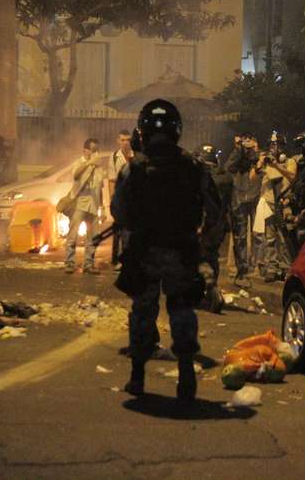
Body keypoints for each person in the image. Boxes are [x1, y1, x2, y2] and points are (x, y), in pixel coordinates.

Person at [112, 99, 221, 401]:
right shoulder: (194, 167)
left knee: (142, 313)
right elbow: (214, 212)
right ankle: (186, 376)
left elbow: (118, 211)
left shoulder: (134, 169)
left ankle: (137, 377)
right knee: (182, 311)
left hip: (145, 251)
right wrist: (204, 247)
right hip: (182, 250)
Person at [253, 132, 297, 282]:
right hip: (269, 202)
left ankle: (287, 268)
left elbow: (292, 176)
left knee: (285, 239)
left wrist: (277, 165)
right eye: (272, 145)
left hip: (284, 203)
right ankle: (272, 268)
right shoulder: (266, 161)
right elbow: (252, 177)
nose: (274, 148)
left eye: (277, 145)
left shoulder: (289, 161)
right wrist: (260, 162)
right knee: (269, 238)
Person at [194, 143, 232, 313]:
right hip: (219, 226)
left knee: (198, 258)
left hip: (204, 225)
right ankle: (208, 294)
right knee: (212, 256)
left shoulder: (202, 178)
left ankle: (209, 289)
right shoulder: (225, 178)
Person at [225, 132, 262, 287]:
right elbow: (229, 167)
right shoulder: (237, 155)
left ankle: (253, 267)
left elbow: (258, 166)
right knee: (240, 236)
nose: (247, 144)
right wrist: (239, 149)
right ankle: (241, 271)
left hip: (253, 198)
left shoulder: (256, 155)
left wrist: (255, 150)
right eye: (244, 141)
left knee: (257, 235)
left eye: (250, 141)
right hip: (239, 198)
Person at [65, 138, 105, 274]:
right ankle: (69, 263)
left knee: (93, 237)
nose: (95, 153)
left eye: (96, 150)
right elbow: (76, 175)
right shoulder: (79, 163)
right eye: (93, 150)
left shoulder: (99, 168)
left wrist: (102, 208)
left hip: (93, 205)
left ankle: (89, 264)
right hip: (80, 204)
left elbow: (100, 188)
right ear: (85, 150)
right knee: (73, 235)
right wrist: (89, 163)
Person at [108, 129, 134, 269]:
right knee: (118, 232)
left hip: (133, 201)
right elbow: (111, 181)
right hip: (120, 200)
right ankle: (116, 260)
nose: (125, 143)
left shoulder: (135, 155)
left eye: (128, 140)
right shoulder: (113, 157)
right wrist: (112, 201)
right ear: (118, 141)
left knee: (130, 232)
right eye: (123, 140)